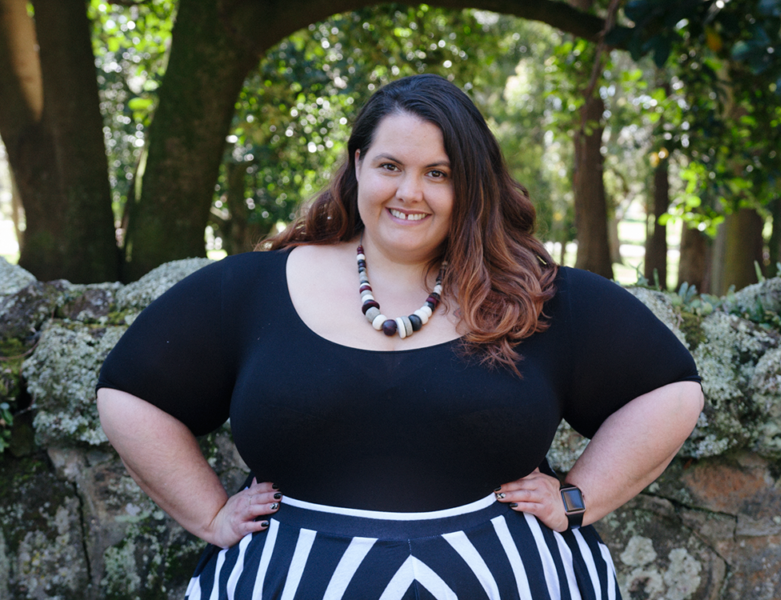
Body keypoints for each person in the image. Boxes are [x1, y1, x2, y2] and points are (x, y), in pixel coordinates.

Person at [97, 74, 704, 600]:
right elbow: (131, 394)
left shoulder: (534, 296)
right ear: (358, 164)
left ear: (470, 186)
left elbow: (669, 392)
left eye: (438, 173)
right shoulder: (251, 288)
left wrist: (579, 499)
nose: (409, 192)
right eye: (390, 166)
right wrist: (208, 514)